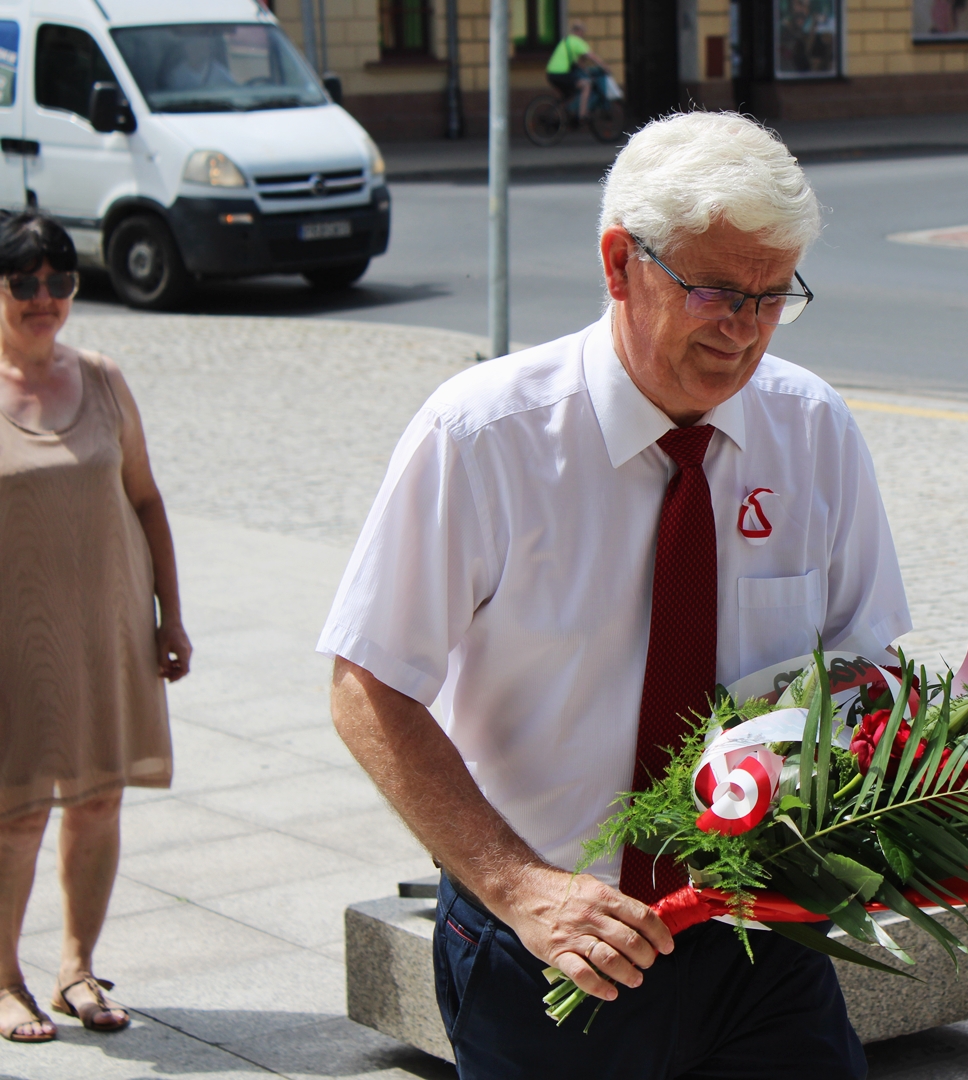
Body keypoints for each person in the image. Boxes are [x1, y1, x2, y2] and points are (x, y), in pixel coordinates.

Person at [321, 111, 909, 1079]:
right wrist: (521, 888)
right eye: (717, 292)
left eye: (774, 298)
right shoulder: (483, 439)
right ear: (619, 264)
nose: (747, 331)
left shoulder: (814, 432)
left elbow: (867, 664)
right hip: (554, 939)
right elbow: (366, 686)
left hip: (759, 937)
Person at [0, 213, 192, 1043]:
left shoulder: (106, 379)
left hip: (105, 627)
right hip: (12, 640)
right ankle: (2, 977)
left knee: (99, 800)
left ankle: (76, 965)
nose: (45, 299)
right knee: (16, 813)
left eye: (60, 282)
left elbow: (146, 500)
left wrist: (169, 616)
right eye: (24, 283)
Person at [546, 21, 607, 124]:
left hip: (552, 74)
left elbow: (578, 63)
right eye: (583, 32)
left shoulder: (567, 41)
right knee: (586, 85)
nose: (583, 35)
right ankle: (582, 114)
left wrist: (586, 71)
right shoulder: (577, 41)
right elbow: (592, 57)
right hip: (561, 74)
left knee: (569, 94)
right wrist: (605, 67)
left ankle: (559, 116)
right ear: (578, 31)